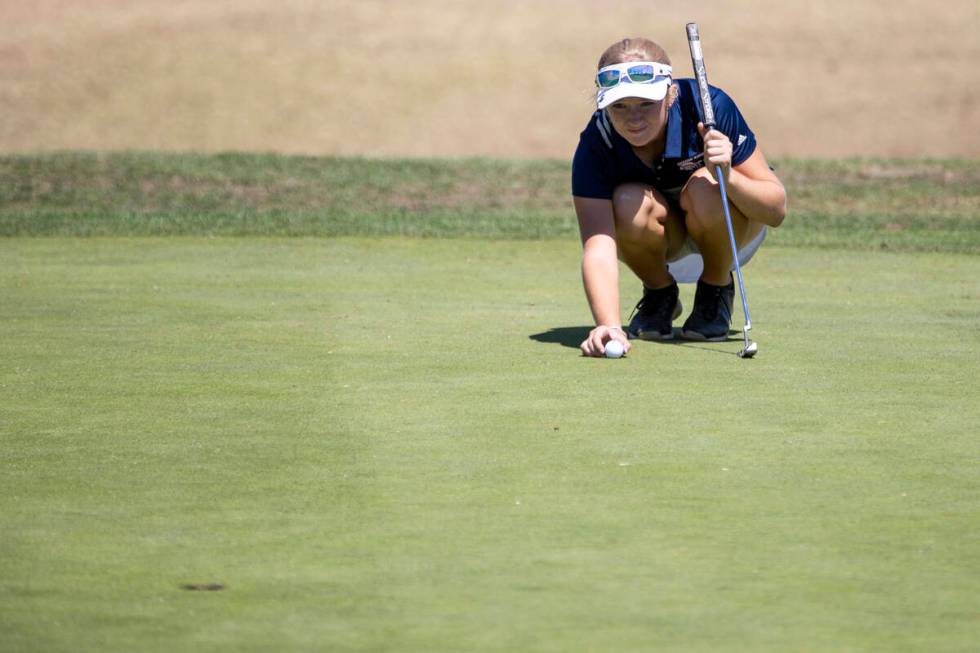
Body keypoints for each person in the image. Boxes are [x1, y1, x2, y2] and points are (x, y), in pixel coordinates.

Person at [571, 37, 786, 357]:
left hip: (731, 233)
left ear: (670, 94)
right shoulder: (598, 140)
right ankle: (660, 294)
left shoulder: (709, 107)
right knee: (629, 200)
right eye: (620, 106)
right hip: (661, 243)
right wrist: (609, 324)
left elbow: (776, 210)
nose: (634, 118)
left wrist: (727, 178)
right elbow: (599, 246)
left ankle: (715, 290)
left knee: (704, 187)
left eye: (646, 103)